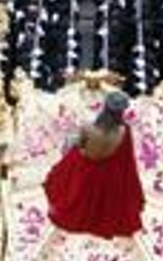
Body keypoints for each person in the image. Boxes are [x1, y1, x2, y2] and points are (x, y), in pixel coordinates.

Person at [42, 91, 145, 238]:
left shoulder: (88, 127)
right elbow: (126, 158)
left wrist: (70, 140)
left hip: (84, 168)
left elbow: (78, 145)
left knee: (70, 148)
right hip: (106, 173)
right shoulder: (124, 131)